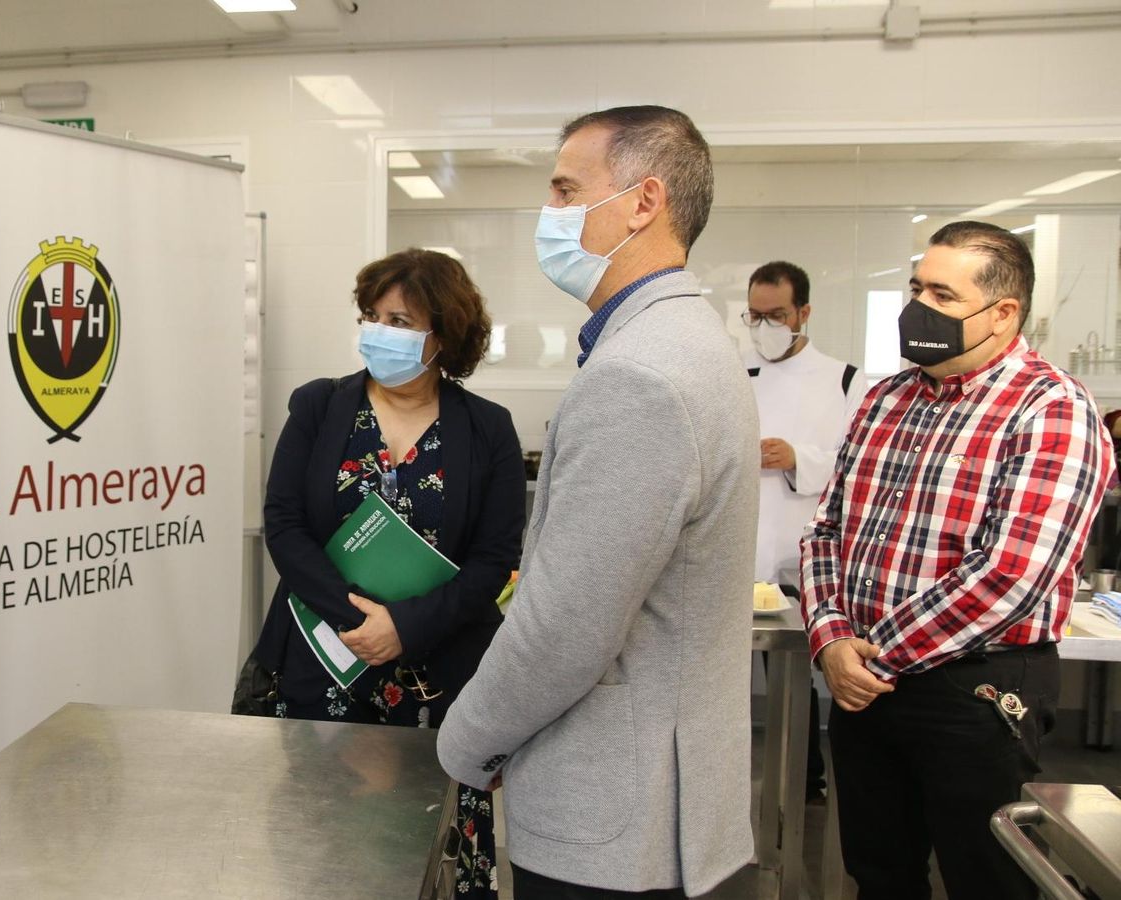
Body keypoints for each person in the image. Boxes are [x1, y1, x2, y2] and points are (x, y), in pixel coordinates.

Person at [438, 105, 759, 899]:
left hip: (618, 825)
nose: (547, 216)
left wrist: (468, 741)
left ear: (644, 202)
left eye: (564, 191)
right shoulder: (688, 339)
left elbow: (566, 627)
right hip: (665, 804)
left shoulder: (640, 374)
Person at [801, 221, 1112, 900]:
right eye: (917, 288)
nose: (919, 309)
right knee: (879, 873)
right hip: (862, 686)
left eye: (942, 294)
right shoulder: (887, 398)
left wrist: (869, 657)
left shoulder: (1050, 409)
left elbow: (1009, 574)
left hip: (972, 691)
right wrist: (829, 642)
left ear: (1002, 313)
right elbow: (826, 531)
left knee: (987, 878)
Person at [252, 247, 525, 898]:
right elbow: (284, 523)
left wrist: (403, 626)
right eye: (372, 315)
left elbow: (494, 559)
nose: (379, 331)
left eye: (400, 320)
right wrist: (359, 619)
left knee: (432, 857)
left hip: (437, 681)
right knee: (324, 856)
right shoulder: (320, 408)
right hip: (325, 668)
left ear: (444, 333)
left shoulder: (487, 430)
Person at [742, 260, 863, 800]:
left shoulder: (845, 380)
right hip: (738, 547)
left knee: (794, 674)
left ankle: (806, 779)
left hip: (801, 553)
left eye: (776, 315)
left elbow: (860, 467)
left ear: (803, 313)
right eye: (754, 315)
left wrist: (799, 458)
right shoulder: (734, 372)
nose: (764, 326)